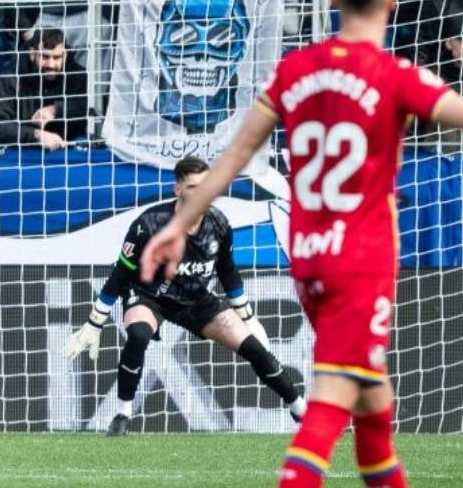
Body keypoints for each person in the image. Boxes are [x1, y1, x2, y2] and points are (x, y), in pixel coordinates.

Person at [139, 0, 463, 488]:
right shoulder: (395, 75)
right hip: (361, 262)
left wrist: (180, 221)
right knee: (333, 399)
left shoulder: (293, 72)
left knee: (373, 402)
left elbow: (234, 158)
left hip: (310, 258)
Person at [63, 156, 305, 436]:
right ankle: (122, 413)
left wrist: (248, 317)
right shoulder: (149, 225)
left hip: (196, 299)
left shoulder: (219, 224)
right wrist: (95, 322)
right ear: (178, 189)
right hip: (149, 295)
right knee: (139, 335)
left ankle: (299, 407)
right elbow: (120, 273)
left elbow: (227, 271)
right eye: (192, 187)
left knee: (254, 348)